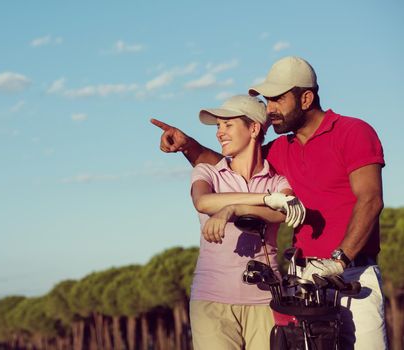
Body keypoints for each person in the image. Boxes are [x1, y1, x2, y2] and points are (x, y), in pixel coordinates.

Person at [151, 56, 387, 350]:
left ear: (306, 98)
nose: (270, 109)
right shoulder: (279, 149)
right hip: (302, 282)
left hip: (352, 275)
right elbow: (229, 163)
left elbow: (371, 199)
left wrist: (339, 261)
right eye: (267, 100)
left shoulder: (352, 132)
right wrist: (188, 145)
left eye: (278, 99)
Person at [187, 94, 305, 350]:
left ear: (253, 128)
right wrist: (264, 199)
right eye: (218, 126)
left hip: (266, 302)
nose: (219, 133)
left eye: (227, 125)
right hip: (211, 302)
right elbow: (204, 202)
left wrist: (234, 208)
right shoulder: (207, 172)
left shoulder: (278, 181)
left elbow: (284, 212)